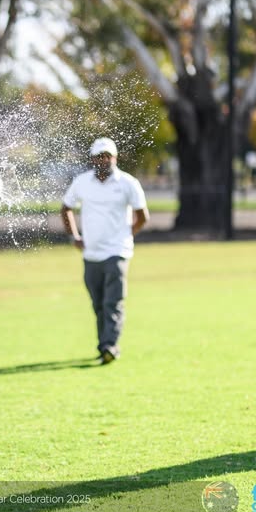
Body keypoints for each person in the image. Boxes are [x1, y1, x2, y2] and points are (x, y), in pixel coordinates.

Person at [60, 137, 149, 364]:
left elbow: (142, 216)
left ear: (115, 157)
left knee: (113, 302)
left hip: (117, 252)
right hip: (91, 253)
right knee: (98, 303)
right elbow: (66, 208)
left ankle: (110, 345)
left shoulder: (128, 182)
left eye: (107, 156)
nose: (103, 160)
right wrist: (75, 237)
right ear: (92, 158)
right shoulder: (82, 182)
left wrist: (128, 234)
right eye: (99, 156)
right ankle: (104, 345)